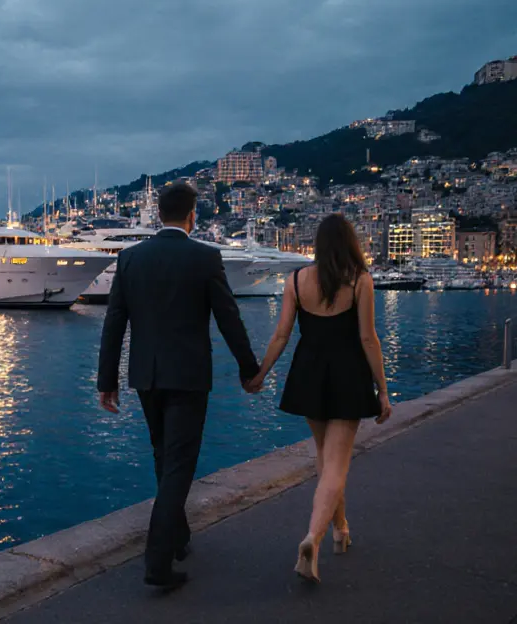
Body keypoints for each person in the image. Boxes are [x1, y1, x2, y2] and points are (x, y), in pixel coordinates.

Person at [97, 181, 262, 591]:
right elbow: (228, 318)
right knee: (179, 464)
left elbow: (114, 321)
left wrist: (107, 381)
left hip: (146, 376)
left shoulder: (131, 258)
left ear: (157, 216)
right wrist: (249, 368)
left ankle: (178, 537)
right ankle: (157, 560)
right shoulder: (204, 257)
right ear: (193, 216)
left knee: (162, 454)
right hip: (188, 376)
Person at [246, 213, 393, 583]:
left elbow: (281, 335)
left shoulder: (296, 280)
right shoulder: (360, 281)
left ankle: (341, 530)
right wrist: (383, 389)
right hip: (347, 376)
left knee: (326, 458)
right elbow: (367, 339)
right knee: (337, 465)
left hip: (308, 375)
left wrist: (261, 373)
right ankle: (313, 537)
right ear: (350, 243)